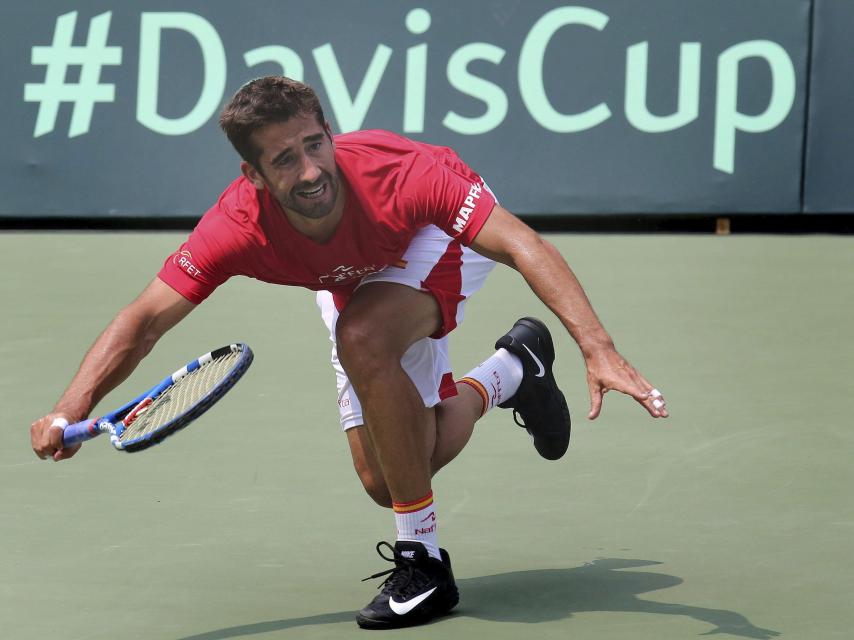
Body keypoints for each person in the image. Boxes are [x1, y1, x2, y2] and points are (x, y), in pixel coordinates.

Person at [30, 76, 668, 629]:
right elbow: (144, 320)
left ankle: (425, 564)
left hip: (431, 241)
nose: (310, 171)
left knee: (361, 336)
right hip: (351, 277)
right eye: (284, 160)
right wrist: (70, 407)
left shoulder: (406, 176)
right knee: (388, 478)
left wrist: (599, 347)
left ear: (328, 133)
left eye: (315, 144)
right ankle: (512, 369)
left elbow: (521, 244)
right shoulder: (236, 226)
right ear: (251, 175)